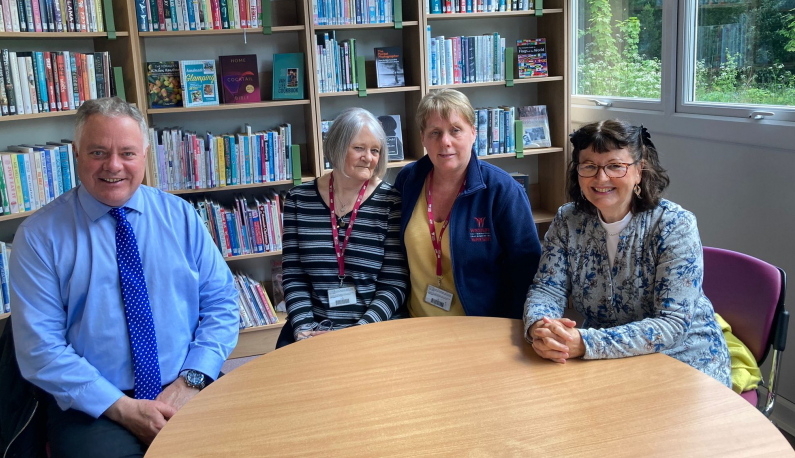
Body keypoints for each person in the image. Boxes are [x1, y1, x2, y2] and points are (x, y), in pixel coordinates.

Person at [9, 97, 240, 457]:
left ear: (145, 154)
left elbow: (222, 303)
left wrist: (192, 380)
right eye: (98, 152)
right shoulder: (39, 237)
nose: (113, 166)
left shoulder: (181, 216)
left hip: (189, 382)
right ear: (77, 153)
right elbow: (40, 349)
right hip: (96, 405)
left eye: (127, 153)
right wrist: (123, 408)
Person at [523, 119, 731, 387]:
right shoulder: (568, 219)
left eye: (615, 166)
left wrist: (585, 343)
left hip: (683, 362)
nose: (601, 178)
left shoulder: (675, 225)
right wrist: (541, 328)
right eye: (589, 166)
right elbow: (547, 289)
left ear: (639, 171)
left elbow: (672, 325)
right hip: (606, 363)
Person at [394, 89, 541, 317]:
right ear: (422, 137)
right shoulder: (408, 180)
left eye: (455, 130)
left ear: (473, 133)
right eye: (435, 132)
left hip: (480, 327)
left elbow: (527, 272)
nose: (445, 142)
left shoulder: (503, 191)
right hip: (415, 323)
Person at [277, 108, 408, 347]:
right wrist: (304, 330)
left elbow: (394, 283)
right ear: (337, 146)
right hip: (314, 328)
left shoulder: (390, 202)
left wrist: (357, 333)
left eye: (375, 150)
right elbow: (294, 275)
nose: (368, 157)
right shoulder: (298, 199)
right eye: (359, 148)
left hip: (372, 330)